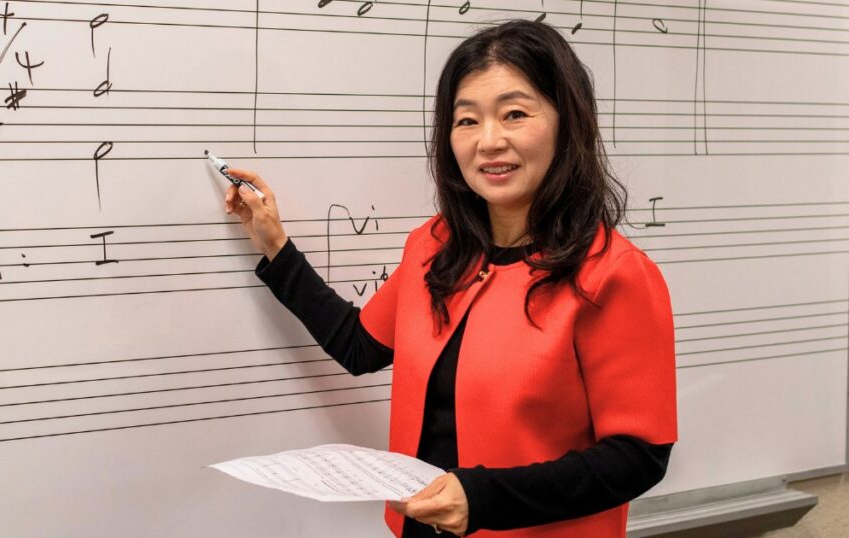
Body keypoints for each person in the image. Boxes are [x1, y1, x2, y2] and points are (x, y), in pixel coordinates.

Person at [222, 19, 677, 538]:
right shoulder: (434, 247)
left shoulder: (613, 274)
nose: (489, 141)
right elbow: (359, 346)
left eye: (515, 114)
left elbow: (639, 455)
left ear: (566, 123)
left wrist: (485, 498)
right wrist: (276, 246)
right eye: (467, 121)